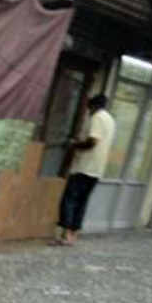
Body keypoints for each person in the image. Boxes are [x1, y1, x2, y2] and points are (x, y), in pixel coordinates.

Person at [52, 94, 116, 246]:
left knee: (69, 200)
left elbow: (92, 142)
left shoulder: (97, 118)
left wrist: (74, 144)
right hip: (97, 169)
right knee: (81, 201)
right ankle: (73, 236)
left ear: (94, 106)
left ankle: (65, 235)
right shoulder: (110, 120)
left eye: (89, 107)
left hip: (85, 167)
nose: (88, 111)